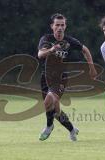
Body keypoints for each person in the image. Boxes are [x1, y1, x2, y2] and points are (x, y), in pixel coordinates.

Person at [37, 13, 97, 141]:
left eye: (62, 25)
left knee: (49, 101)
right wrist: (51, 50)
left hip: (60, 78)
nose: (60, 27)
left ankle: (49, 126)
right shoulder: (46, 39)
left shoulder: (70, 41)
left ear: (65, 26)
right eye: (57, 25)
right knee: (55, 110)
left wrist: (91, 67)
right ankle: (72, 129)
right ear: (52, 26)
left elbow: (85, 50)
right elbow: (40, 54)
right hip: (46, 77)